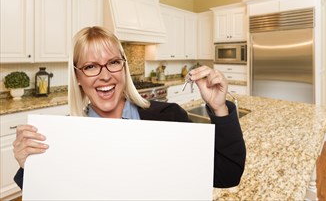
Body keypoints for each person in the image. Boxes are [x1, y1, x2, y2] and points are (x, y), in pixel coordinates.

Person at [13, 26, 246, 190]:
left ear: (123, 68)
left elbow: (227, 174)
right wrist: (31, 166)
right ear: (78, 77)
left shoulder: (170, 117)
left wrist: (218, 108)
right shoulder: (60, 137)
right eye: (91, 66)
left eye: (113, 62)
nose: (105, 76)